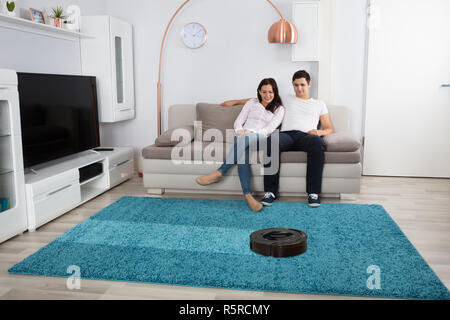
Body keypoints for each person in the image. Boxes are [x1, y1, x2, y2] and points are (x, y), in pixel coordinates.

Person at [221, 70, 333, 207]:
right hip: (286, 135)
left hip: (307, 136)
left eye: (302, 85)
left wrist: (319, 133)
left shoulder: (319, 104)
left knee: (318, 143)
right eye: (296, 85)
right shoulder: (286, 98)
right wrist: (236, 102)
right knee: (272, 141)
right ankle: (270, 192)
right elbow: (261, 98)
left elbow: (329, 128)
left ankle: (313, 193)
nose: (299, 88)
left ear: (309, 84)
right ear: (293, 85)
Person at [196, 78, 285, 212]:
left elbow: (269, 129)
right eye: (264, 92)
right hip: (243, 136)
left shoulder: (279, 109)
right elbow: (238, 121)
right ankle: (248, 196)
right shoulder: (251, 103)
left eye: (271, 92)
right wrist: (240, 131)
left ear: (275, 92)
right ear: (259, 92)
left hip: (261, 137)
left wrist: (250, 132)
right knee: (243, 155)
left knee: (245, 139)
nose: (267, 95)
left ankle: (220, 172)